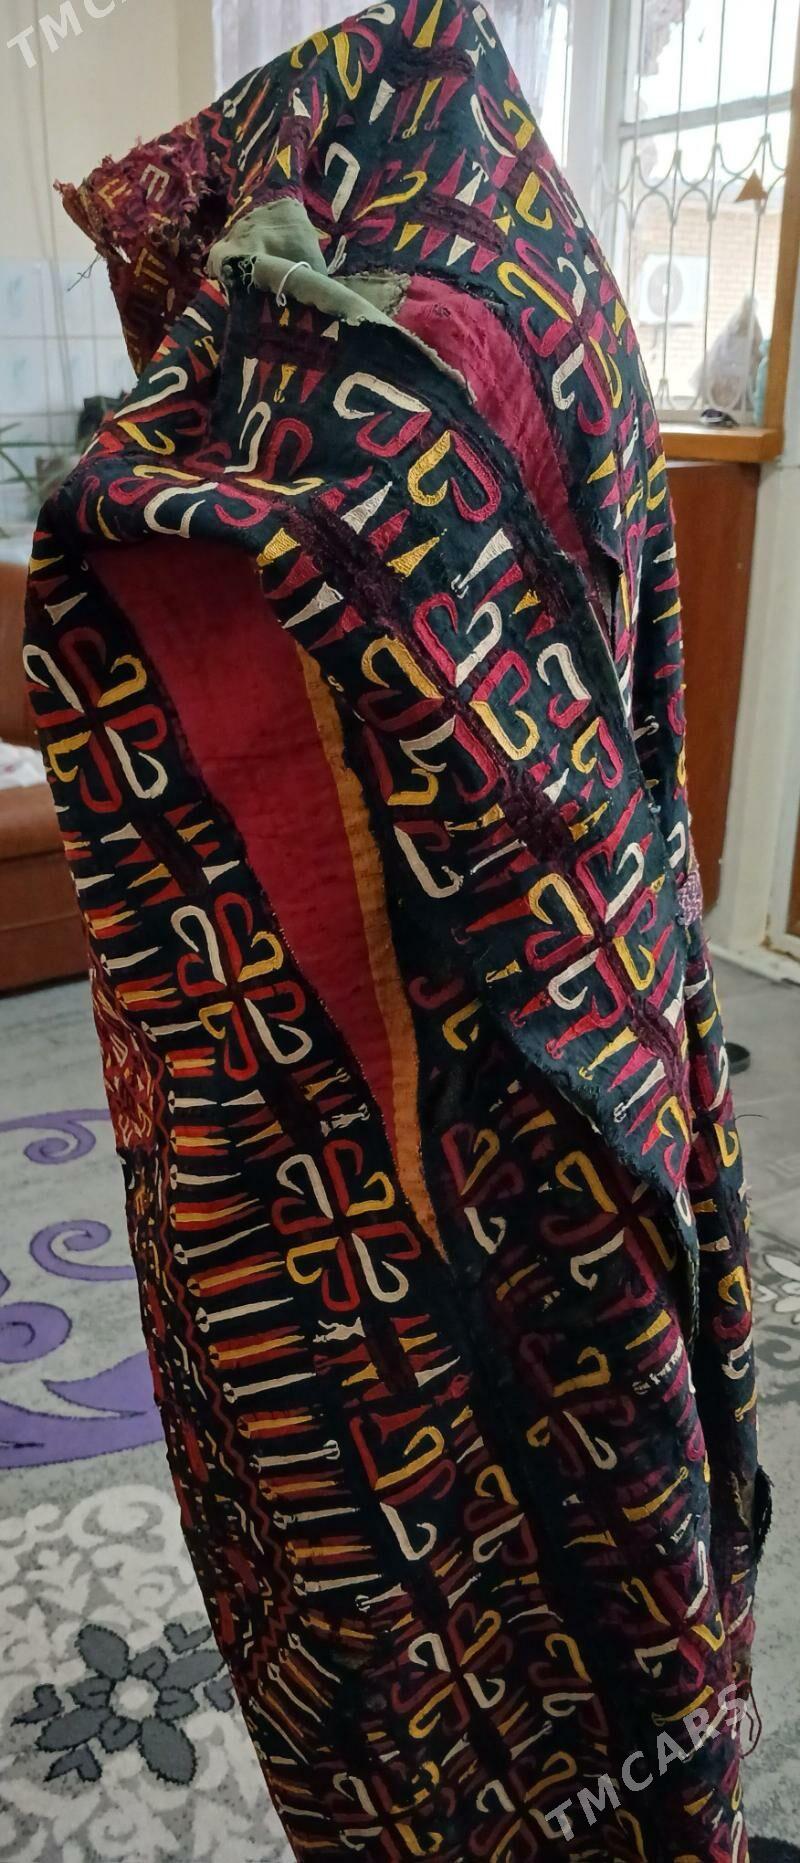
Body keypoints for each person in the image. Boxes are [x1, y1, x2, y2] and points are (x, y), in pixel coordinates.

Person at [25, 4, 767, 1856]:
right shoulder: (519, 240)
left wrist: (170, 438)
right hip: (581, 1005)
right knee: (587, 1493)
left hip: (488, 1102)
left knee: (494, 1545)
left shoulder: (402, 317)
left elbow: (198, 537)